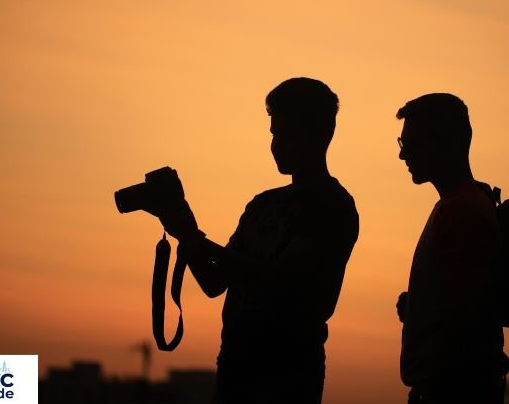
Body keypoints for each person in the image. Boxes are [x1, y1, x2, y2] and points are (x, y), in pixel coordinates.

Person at [147, 77, 359, 404]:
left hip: (288, 373)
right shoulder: (262, 204)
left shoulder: (332, 205)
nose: (276, 144)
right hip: (235, 366)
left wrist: (195, 238)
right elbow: (215, 282)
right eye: (274, 133)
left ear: (318, 134)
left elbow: (279, 280)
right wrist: (184, 231)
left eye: (285, 133)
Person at [395, 93, 507, 403]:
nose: (404, 156)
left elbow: (465, 317)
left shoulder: (463, 212)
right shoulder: (460, 206)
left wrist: (434, 389)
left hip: (453, 390)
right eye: (402, 144)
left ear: (448, 143)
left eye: (412, 144)